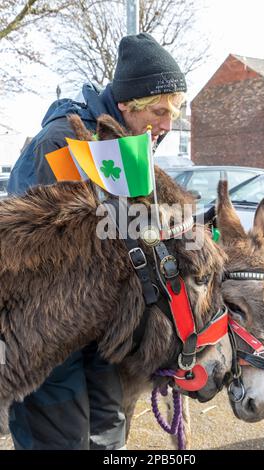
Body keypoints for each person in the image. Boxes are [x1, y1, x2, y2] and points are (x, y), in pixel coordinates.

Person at [8, 32, 187, 450]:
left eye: (173, 112)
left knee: (109, 434)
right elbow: (32, 250)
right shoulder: (60, 142)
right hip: (48, 338)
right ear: (126, 104)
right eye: (159, 112)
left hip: (100, 335)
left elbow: (126, 231)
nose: (167, 124)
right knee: (61, 440)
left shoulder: (130, 144)